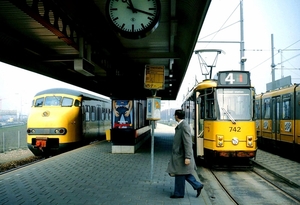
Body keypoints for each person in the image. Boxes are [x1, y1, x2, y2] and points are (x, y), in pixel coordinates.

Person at [166, 109, 204, 198]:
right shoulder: (182, 125)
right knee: (183, 173)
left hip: (181, 156)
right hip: (180, 155)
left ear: (176, 116)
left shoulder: (184, 126)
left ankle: (179, 193)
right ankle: (198, 185)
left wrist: (188, 157)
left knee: (179, 173)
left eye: (174, 115)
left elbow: (187, 143)